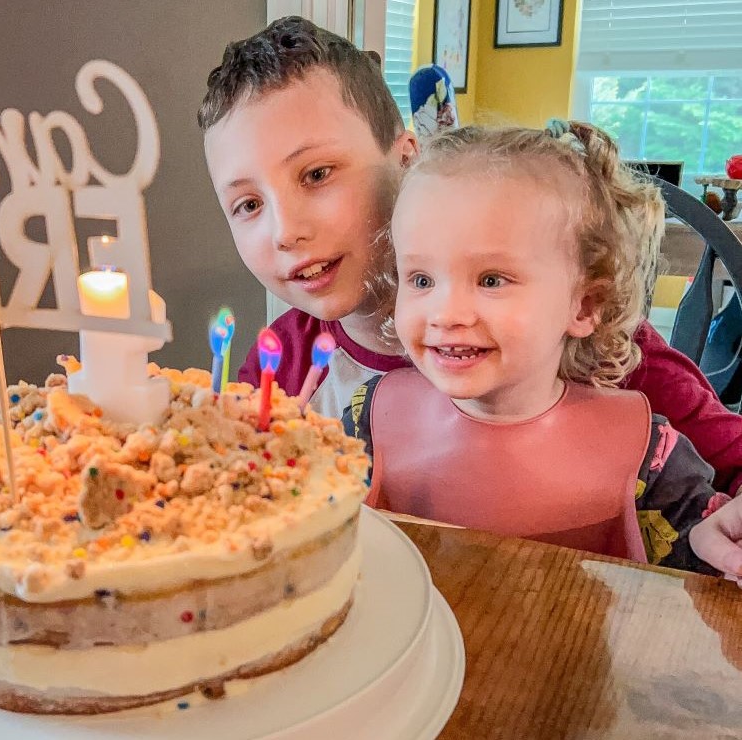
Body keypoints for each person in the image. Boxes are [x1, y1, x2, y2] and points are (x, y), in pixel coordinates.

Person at [198, 15, 742, 500]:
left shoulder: (588, 345)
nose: (286, 230)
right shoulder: (282, 367)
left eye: (317, 175)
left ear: (406, 157)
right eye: (247, 204)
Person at [341, 121, 742, 574]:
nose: (445, 312)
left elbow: (693, 565)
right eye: (421, 279)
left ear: (585, 305)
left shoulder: (648, 455)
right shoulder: (368, 416)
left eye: (491, 280)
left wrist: (712, 545)